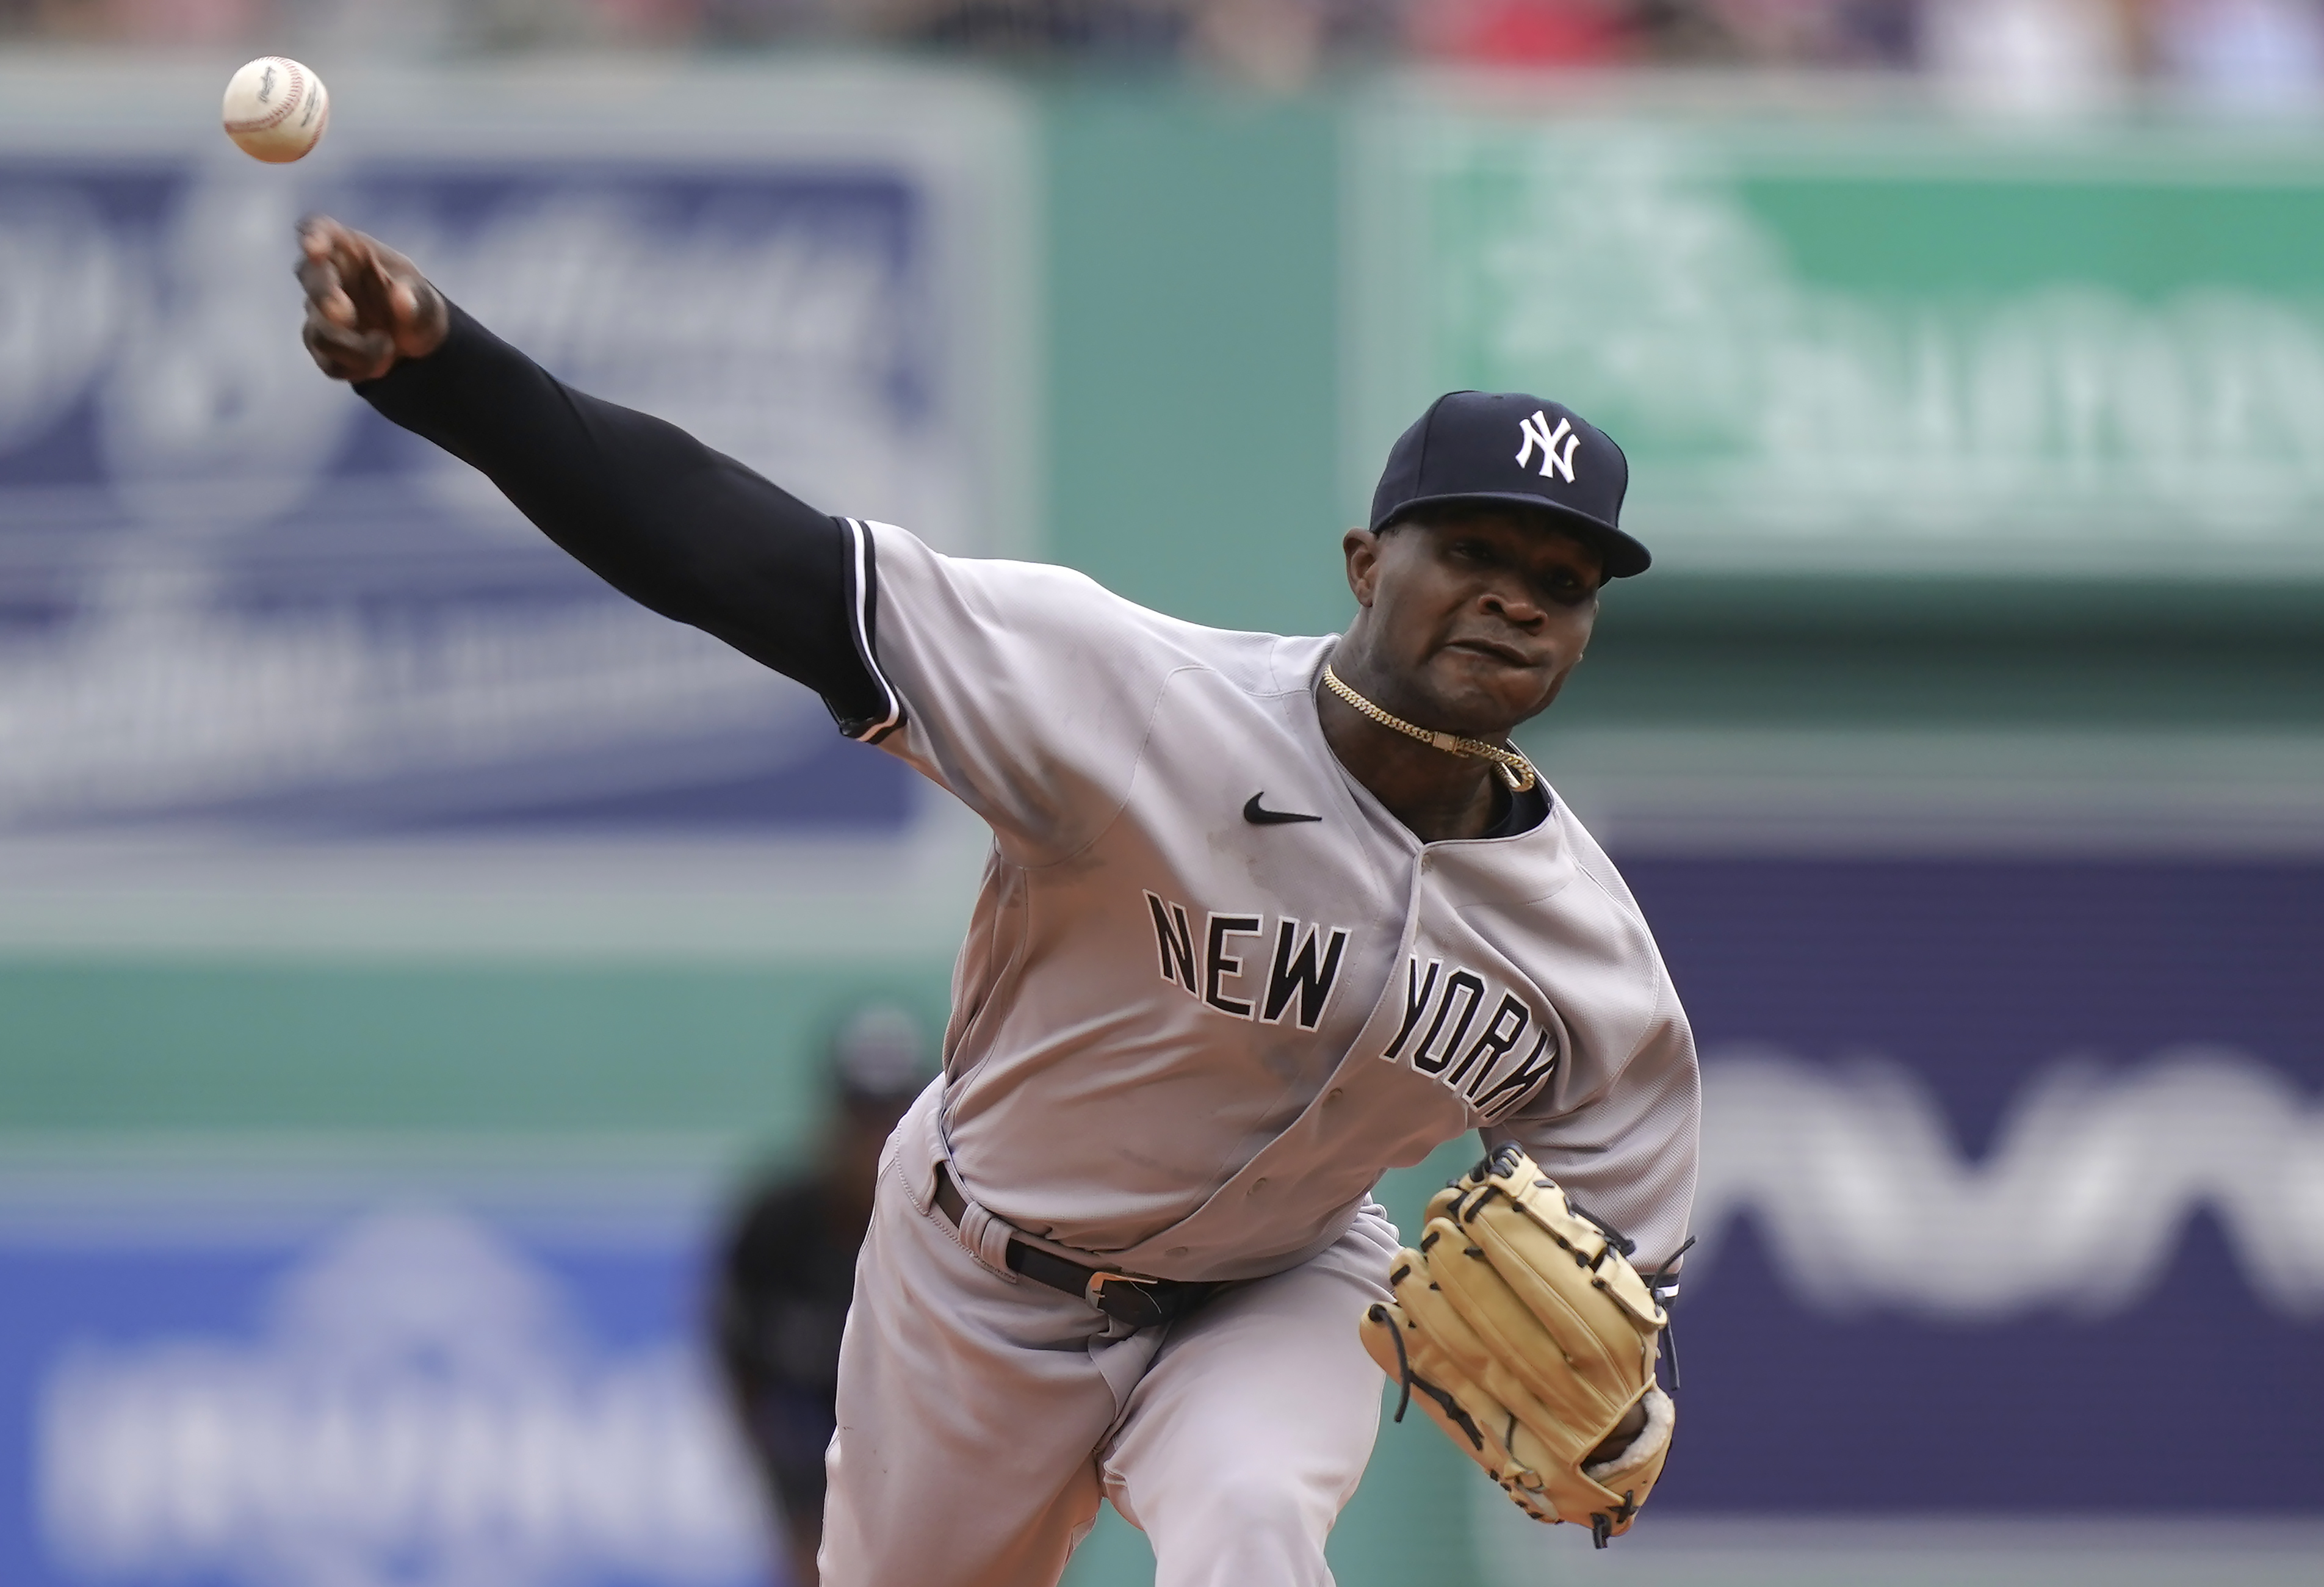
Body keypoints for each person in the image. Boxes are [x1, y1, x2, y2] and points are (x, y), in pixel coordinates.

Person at [292, 218, 1700, 1587]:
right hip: (980, 1276)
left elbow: (1630, 1269)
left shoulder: (1590, 959)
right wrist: (448, 374)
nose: (1517, 601)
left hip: (1285, 1282)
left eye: (1560, 583)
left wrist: (1638, 1376)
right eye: (1474, 553)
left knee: (1256, 1522)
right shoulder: (1138, 707)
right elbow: (746, 558)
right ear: (1364, 562)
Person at [712, 1005, 934, 1587]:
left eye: (894, 1119)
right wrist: (789, 1496)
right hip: (805, 1452)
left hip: (930, 1470)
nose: (874, 1142)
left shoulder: (955, 1238)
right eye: (861, 1117)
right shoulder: (776, 1230)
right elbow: (736, 1360)